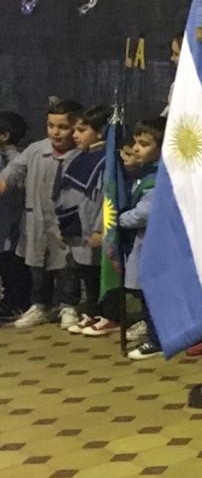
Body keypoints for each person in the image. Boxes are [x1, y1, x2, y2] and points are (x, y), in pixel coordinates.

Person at [0, 98, 82, 329]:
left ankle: (68, 305)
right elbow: (13, 172)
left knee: (68, 267)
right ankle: (40, 305)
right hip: (36, 221)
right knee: (37, 266)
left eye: (62, 127)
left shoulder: (81, 154)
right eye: (51, 126)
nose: (55, 132)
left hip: (67, 223)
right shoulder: (36, 150)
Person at [59, 105, 110, 334]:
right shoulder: (81, 157)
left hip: (97, 226)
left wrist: (100, 228)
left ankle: (108, 315)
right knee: (86, 273)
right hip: (81, 225)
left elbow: (106, 198)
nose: (75, 135)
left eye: (81, 130)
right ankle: (92, 311)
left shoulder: (107, 160)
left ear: (100, 132)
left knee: (101, 274)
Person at [119, 117, 165, 360]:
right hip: (144, 241)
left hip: (154, 243)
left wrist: (120, 219)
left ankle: (157, 339)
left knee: (153, 293)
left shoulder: (159, 177)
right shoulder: (146, 172)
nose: (136, 149)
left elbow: (145, 213)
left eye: (144, 144)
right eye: (135, 142)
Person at [0, 110, 29, 319]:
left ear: (5, 135)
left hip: (13, 226)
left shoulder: (16, 161)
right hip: (9, 227)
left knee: (13, 267)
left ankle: (16, 303)